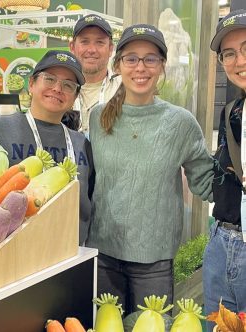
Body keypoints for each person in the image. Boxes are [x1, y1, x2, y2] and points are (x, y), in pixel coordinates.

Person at [86, 24, 214, 315]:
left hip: (154, 262)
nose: (140, 67)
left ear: (161, 66)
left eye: (150, 59)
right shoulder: (98, 116)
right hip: (103, 254)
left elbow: (206, 180)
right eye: (131, 58)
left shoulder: (180, 123)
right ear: (118, 65)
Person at [0, 50, 94, 245]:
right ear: (31, 84)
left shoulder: (82, 144)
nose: (57, 88)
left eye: (68, 85)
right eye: (49, 79)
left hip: (72, 255)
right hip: (10, 254)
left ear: (74, 97)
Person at [203, 9, 246, 331]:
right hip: (222, 240)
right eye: (229, 54)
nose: (239, 61)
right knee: (218, 326)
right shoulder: (232, 110)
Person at [69, 14, 121, 134]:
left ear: (110, 49)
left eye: (99, 42)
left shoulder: (125, 89)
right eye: (85, 42)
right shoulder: (58, 89)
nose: (92, 50)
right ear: (72, 47)